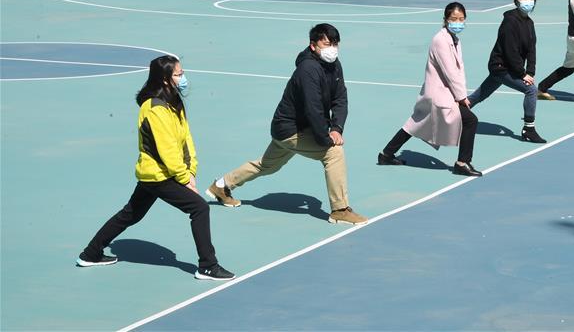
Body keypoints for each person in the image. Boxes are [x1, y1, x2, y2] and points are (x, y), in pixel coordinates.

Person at [76, 56, 234, 281]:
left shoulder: (173, 102)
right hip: (158, 176)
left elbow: (186, 139)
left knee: (131, 214)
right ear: (165, 79)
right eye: (178, 74)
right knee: (199, 208)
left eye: (182, 73)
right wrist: (183, 178)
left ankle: (90, 254)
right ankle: (208, 266)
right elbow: (167, 150)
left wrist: (191, 171)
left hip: (161, 174)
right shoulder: (154, 109)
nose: (183, 78)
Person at [206, 24, 367, 226]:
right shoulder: (308, 69)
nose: (332, 49)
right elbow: (313, 108)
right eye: (327, 44)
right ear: (313, 46)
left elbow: (340, 98)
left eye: (335, 44)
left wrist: (336, 128)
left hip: (297, 128)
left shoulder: (334, 65)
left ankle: (222, 185)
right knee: (334, 153)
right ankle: (340, 210)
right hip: (290, 130)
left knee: (266, 165)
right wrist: (325, 139)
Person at [378, 2, 483, 177]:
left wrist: (461, 94)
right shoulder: (440, 40)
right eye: (454, 19)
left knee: (415, 124)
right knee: (470, 120)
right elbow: (450, 72)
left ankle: (386, 154)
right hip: (438, 95)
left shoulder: (454, 40)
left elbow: (459, 70)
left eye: (461, 19)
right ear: (446, 19)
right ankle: (462, 163)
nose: (458, 22)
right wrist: (461, 97)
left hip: (442, 93)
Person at [467, 0, 545, 144]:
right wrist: (522, 74)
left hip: (509, 68)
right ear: (516, 1)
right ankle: (529, 129)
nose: (528, 1)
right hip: (501, 67)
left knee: (478, 96)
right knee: (531, 90)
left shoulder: (529, 23)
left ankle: (452, 115)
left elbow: (532, 50)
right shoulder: (510, 21)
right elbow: (510, 51)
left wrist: (530, 72)